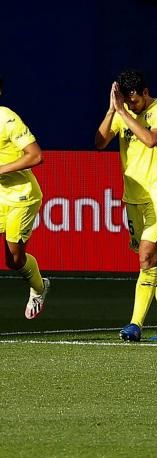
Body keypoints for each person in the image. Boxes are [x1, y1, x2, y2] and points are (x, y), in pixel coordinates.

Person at [95, 69, 157, 342]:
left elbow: (151, 139)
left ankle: (135, 325)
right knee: (154, 260)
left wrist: (124, 114)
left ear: (146, 92)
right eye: (127, 101)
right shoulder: (122, 113)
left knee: (146, 256)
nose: (132, 106)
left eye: (135, 100)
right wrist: (113, 110)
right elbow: (99, 142)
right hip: (133, 196)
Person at [0, 77, 49, 318]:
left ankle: (39, 289)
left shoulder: (7, 118)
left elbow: (36, 156)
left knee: (14, 261)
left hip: (22, 196)